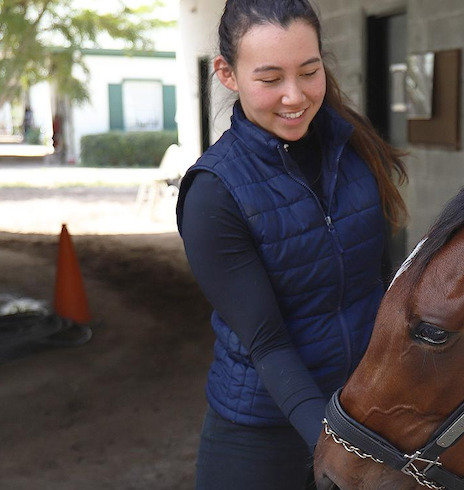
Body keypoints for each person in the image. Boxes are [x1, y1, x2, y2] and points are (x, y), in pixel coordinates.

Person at [175, 1, 407, 489]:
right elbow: (268, 342)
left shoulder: (356, 148)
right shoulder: (215, 192)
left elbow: (390, 288)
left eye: (309, 71)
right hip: (259, 434)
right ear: (228, 74)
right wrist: (336, 445)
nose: (294, 96)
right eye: (270, 78)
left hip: (364, 411)